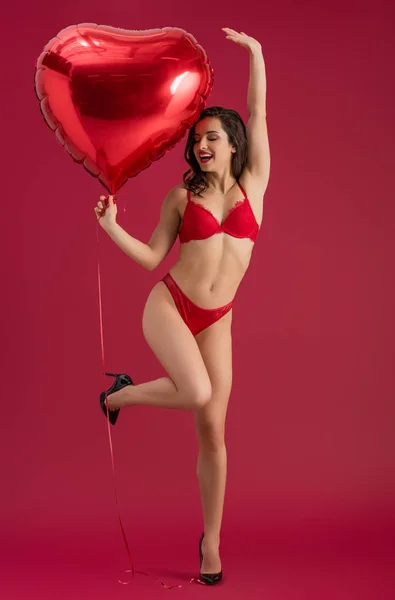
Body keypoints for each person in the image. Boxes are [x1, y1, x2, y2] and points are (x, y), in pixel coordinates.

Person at [94, 27, 270, 586]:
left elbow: (258, 112)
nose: (201, 146)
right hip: (169, 306)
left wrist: (258, 56)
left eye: (212, 137)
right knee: (196, 393)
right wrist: (111, 226)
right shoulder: (182, 197)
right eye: (197, 138)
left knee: (213, 432)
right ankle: (118, 394)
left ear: (234, 143)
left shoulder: (255, 186)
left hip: (219, 320)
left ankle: (210, 542)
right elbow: (151, 257)